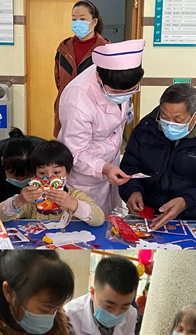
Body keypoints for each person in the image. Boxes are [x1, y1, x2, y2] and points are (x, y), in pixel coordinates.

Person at [119, 83, 196, 230]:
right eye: (164, 116)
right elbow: (130, 165)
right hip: (147, 217)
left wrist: (186, 202)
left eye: (178, 119)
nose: (170, 124)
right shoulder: (146, 128)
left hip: (194, 221)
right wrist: (132, 190)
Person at [57, 39, 145, 215]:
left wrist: (110, 166)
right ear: (99, 77)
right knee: (87, 220)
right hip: (85, 178)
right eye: (116, 92)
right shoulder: (77, 100)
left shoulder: (119, 81)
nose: (123, 95)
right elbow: (74, 152)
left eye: (130, 91)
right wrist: (104, 168)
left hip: (110, 165)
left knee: (110, 219)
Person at [0, 140, 104, 225]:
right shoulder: (32, 199)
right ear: (35, 174)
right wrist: (19, 200)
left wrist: (73, 204)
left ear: (68, 173)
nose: (49, 178)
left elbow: (99, 219)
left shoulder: (74, 195)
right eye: (42, 173)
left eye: (56, 172)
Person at [53, 1, 109, 138]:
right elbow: (58, 80)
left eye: (82, 19)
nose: (77, 23)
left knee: (90, 148)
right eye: (74, 19)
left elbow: (109, 84)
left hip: (94, 113)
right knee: (65, 148)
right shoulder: (63, 48)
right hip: (66, 109)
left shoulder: (105, 49)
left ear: (94, 22)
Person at [0, 128, 45, 208]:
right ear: (2, 162)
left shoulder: (50, 158)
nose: (21, 180)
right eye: (15, 176)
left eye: (27, 176)